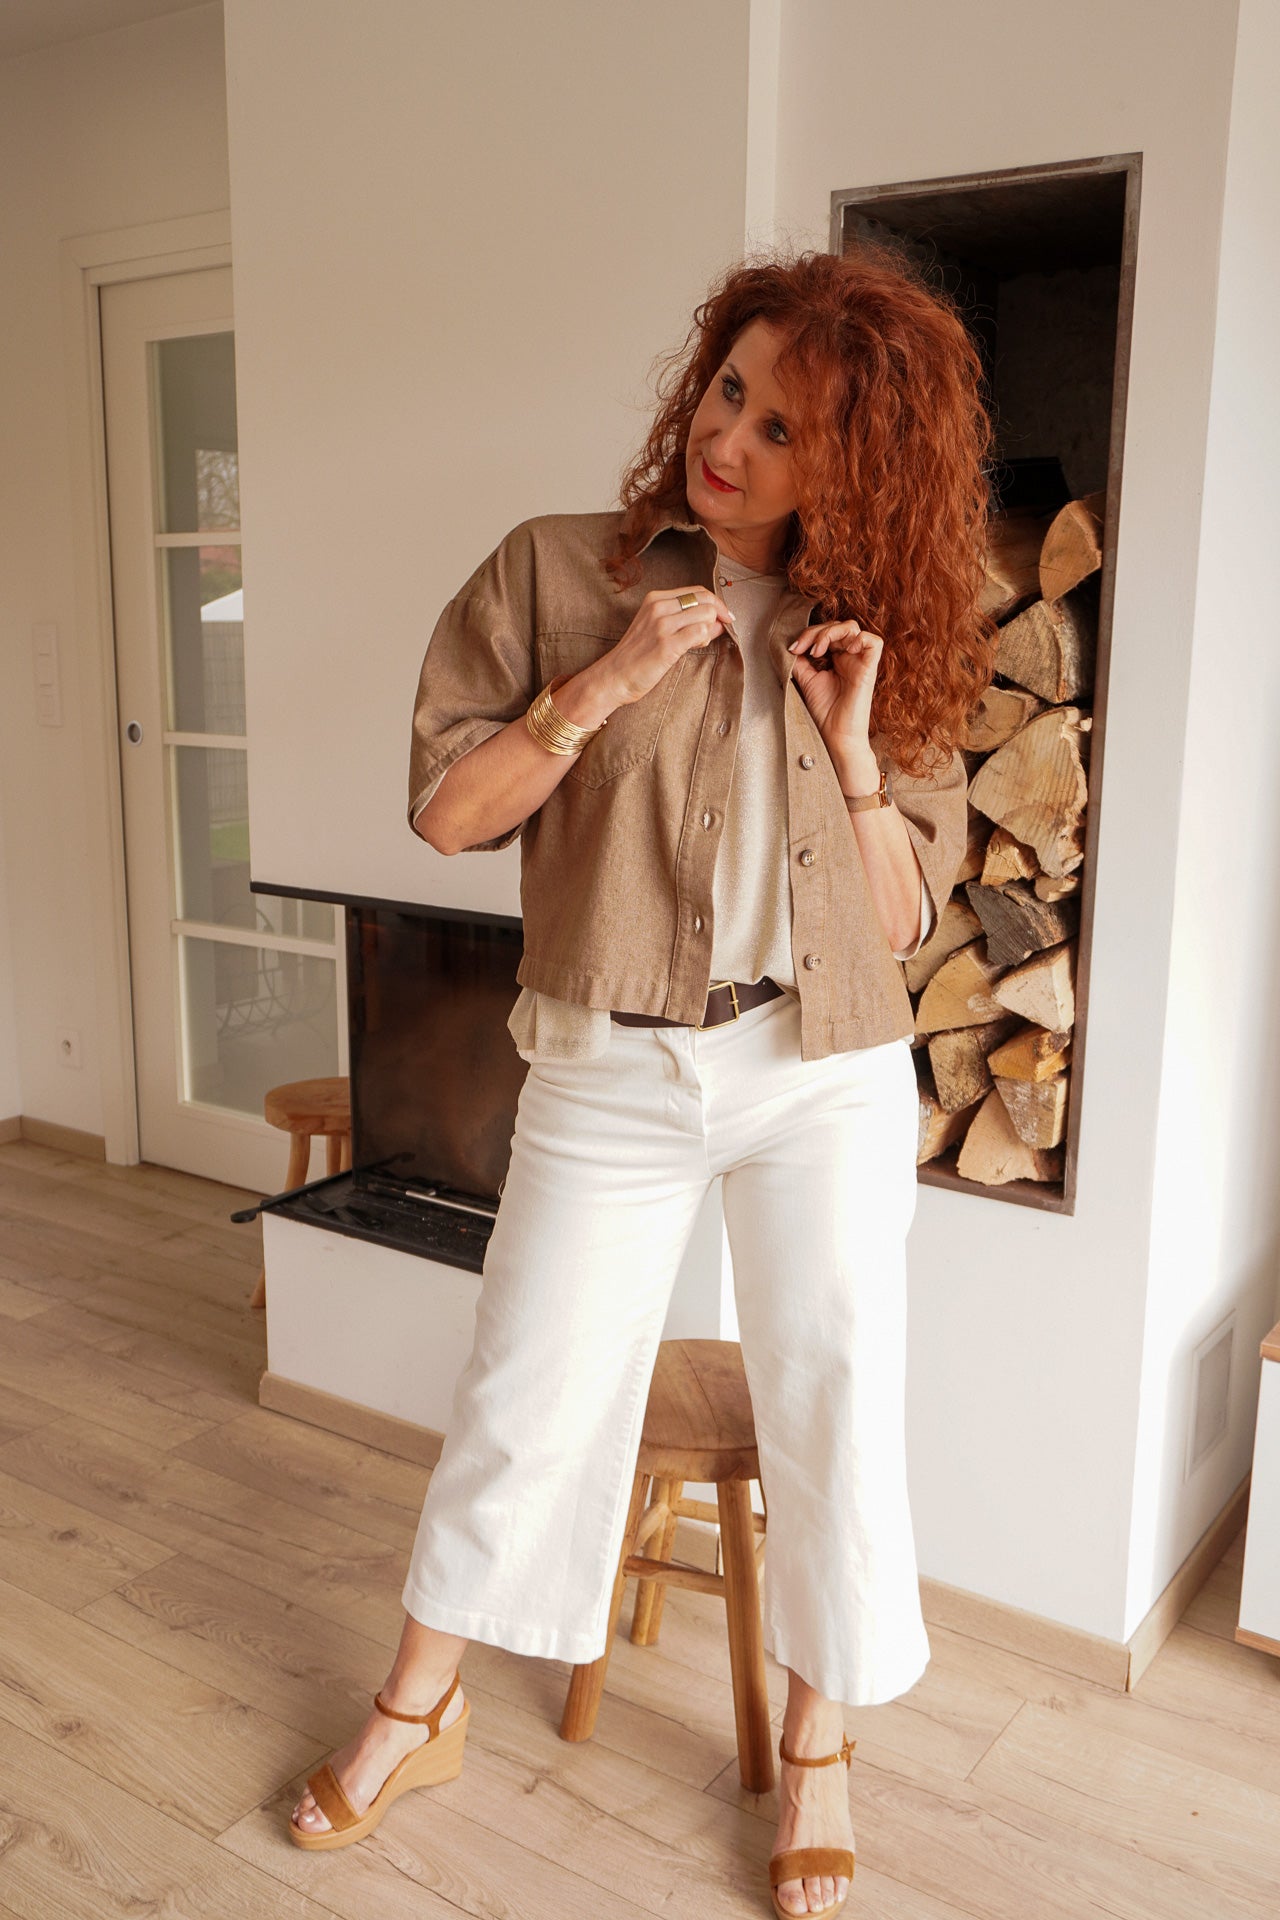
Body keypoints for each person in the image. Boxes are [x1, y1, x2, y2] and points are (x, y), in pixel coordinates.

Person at [287, 245, 996, 1920]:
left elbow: (903, 920)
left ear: (854, 465)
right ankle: (421, 1704)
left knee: (834, 1388)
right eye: (729, 391)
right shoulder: (557, 569)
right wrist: (599, 686)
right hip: (612, 1058)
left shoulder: (882, 630)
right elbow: (448, 817)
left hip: (817, 1067)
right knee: (525, 1386)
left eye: (785, 427)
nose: (728, 440)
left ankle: (819, 1746)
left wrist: (850, 748)